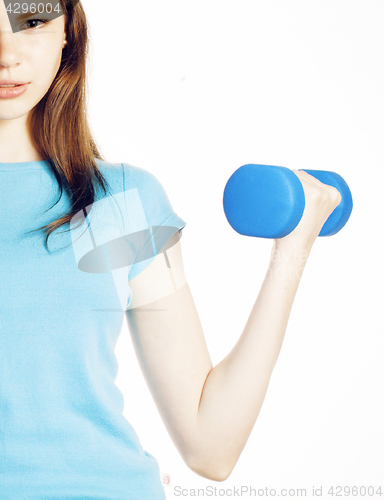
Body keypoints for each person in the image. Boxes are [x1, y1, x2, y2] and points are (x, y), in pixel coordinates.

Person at [0, 0, 342, 498]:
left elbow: (211, 447)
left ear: (67, 32)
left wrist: (291, 252)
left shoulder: (123, 202)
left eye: (30, 22)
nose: (6, 55)